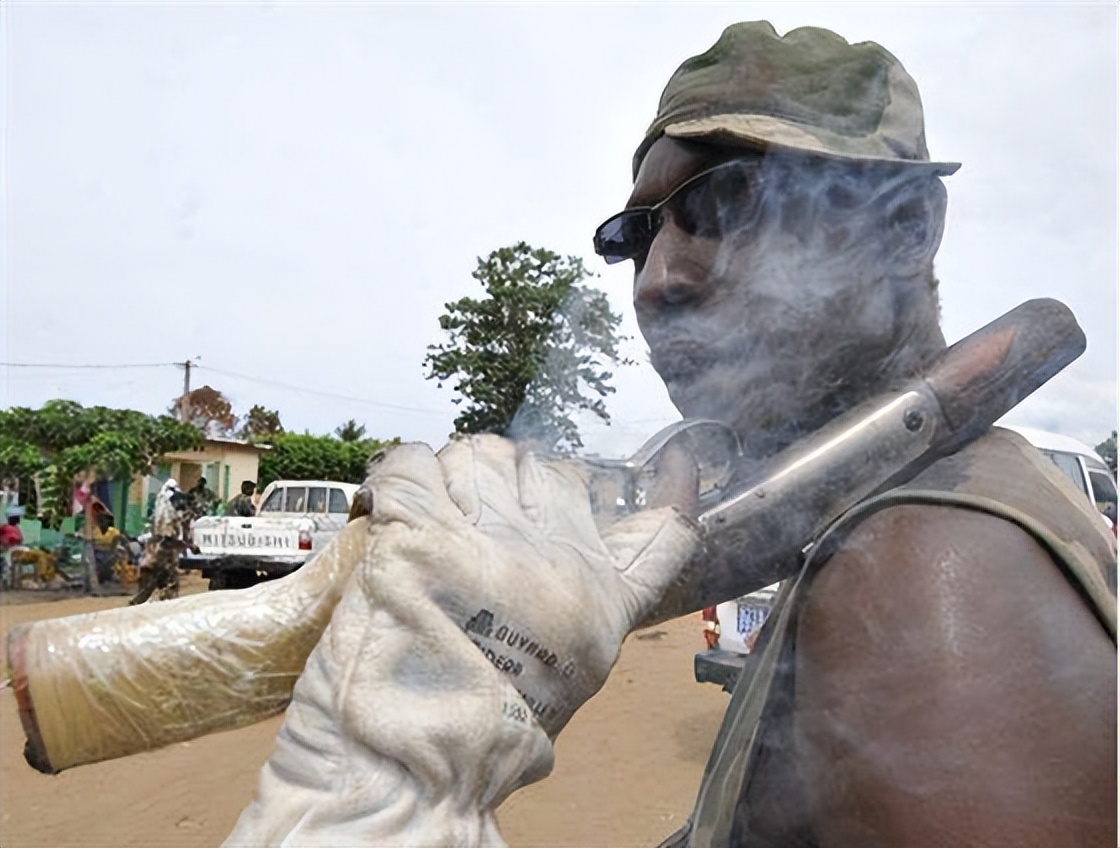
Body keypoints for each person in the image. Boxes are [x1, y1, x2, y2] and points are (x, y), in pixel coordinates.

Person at [223, 21, 1115, 847]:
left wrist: (379, 800)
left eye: (723, 204)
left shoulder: (922, 575)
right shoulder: (863, 524)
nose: (657, 280)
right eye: (637, 235)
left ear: (905, 226)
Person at [130, 479, 189, 605]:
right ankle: (165, 601)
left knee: (156, 578)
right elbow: (178, 521)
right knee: (166, 577)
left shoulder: (160, 502)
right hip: (165, 547)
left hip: (158, 544)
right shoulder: (174, 500)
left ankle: (141, 601)